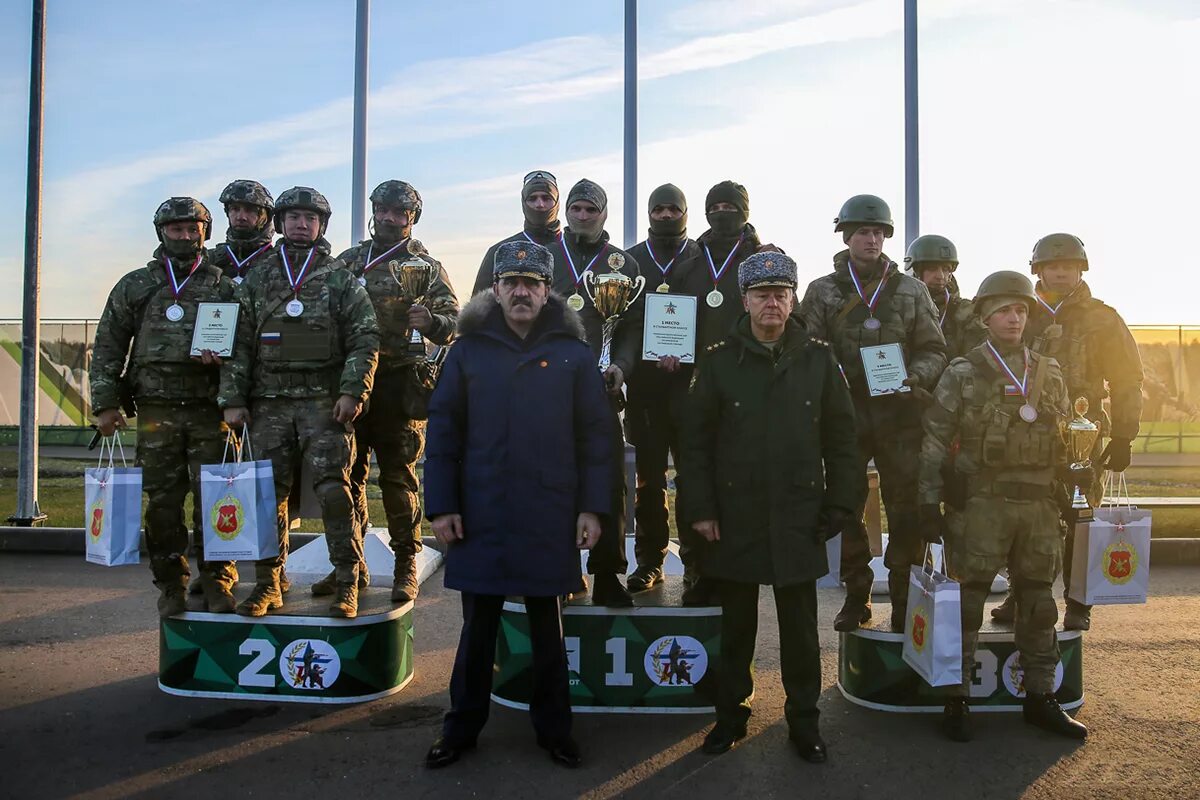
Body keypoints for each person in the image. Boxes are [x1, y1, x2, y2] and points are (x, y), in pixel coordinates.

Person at [423, 241, 611, 769]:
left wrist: (592, 509)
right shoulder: (467, 350)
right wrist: (441, 506)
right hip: (480, 510)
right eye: (512, 282)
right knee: (476, 632)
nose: (522, 291)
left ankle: (555, 731)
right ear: (496, 289)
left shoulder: (574, 355)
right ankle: (459, 730)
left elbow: (596, 439)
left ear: (548, 290)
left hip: (549, 511)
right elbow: (443, 434)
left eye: (532, 282)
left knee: (548, 632)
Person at [681, 251, 863, 762]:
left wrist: (841, 503)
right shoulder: (718, 360)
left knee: (801, 630)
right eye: (763, 295)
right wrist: (701, 509)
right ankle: (730, 716)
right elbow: (694, 444)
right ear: (745, 300)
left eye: (781, 295)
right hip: (734, 515)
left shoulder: (819, 358)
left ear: (792, 300)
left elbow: (843, 439)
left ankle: (804, 721)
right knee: (736, 626)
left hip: (798, 513)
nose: (773, 304)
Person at [919, 270, 1087, 742]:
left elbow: (1064, 434)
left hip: (1036, 507)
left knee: (1038, 605)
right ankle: (956, 699)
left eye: (1020, 310)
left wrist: (1073, 479)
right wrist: (928, 504)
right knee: (967, 604)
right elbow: (934, 440)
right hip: (982, 505)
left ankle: (1040, 697)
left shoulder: (1048, 371)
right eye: (1003, 311)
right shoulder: (963, 371)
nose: (1014, 318)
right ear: (986, 317)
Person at [218, 186, 380, 619]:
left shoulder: (339, 276)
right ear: (280, 223)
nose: (302, 225)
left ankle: (347, 579)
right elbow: (237, 340)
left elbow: (364, 338)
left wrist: (352, 392)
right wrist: (232, 398)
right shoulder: (258, 277)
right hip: (269, 404)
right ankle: (269, 582)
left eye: (311, 219)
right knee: (268, 496)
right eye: (293, 218)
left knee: (333, 492)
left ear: (321, 226)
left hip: (324, 404)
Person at [798, 194, 947, 632]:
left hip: (900, 414)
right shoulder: (823, 291)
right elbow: (809, 349)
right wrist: (833, 381)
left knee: (906, 507)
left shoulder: (912, 290)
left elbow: (935, 349)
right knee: (846, 505)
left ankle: (902, 597)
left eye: (879, 232)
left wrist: (913, 379)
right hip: (845, 415)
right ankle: (858, 593)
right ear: (846, 236)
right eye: (863, 231)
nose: (872, 239)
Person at [89, 197, 236, 617]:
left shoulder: (224, 285)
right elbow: (108, 347)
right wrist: (105, 405)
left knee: (217, 498)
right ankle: (172, 584)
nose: (186, 236)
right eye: (177, 229)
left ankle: (218, 578)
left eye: (194, 229)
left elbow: (241, 351)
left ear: (206, 232)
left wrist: (228, 382)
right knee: (162, 503)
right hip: (156, 411)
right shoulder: (135, 284)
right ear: (161, 233)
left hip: (210, 411)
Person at [990, 233, 1144, 631]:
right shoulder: (1020, 312)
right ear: (1038, 270)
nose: (1061, 272)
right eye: (1052, 266)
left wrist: (1124, 435)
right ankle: (1021, 593)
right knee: (1025, 515)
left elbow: (1128, 378)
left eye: (1069, 266)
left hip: (1083, 438)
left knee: (1080, 518)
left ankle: (1079, 601)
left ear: (1082, 270)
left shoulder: (1102, 318)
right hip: (1027, 434)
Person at [331, 180, 460, 602]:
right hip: (352, 383)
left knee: (398, 479)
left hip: (400, 383)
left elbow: (455, 321)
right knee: (347, 477)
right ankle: (352, 566)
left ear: (412, 218)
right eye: (382, 209)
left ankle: (407, 560)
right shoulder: (350, 261)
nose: (388, 218)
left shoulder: (426, 265)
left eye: (398, 212)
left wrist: (432, 323)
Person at [623, 184, 707, 593]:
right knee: (648, 480)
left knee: (692, 479)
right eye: (658, 208)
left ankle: (694, 564)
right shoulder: (631, 259)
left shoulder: (702, 257)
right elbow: (618, 320)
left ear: (686, 212)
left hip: (691, 387)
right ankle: (650, 561)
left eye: (674, 208)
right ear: (649, 213)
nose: (666, 214)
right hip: (645, 387)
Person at [472, 169, 563, 293]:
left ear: (557, 202)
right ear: (523, 203)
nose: (539, 204)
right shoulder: (499, 251)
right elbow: (478, 309)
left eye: (546, 198)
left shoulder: (574, 250)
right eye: (532, 199)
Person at [903, 234, 986, 361]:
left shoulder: (965, 311)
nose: (940, 276)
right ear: (916, 270)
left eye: (946, 269)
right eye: (932, 269)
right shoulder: (901, 306)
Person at [209, 179, 276, 284]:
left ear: (264, 217)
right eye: (235, 209)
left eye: (249, 210)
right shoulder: (210, 260)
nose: (241, 217)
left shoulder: (278, 262)